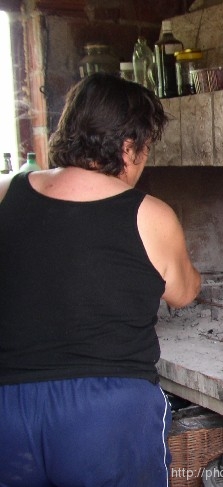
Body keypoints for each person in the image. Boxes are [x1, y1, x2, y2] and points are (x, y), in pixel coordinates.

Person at [0, 73, 201, 486]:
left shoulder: (5, 192)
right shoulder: (150, 214)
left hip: (9, 407)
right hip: (106, 414)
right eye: (145, 148)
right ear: (129, 147)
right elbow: (183, 293)